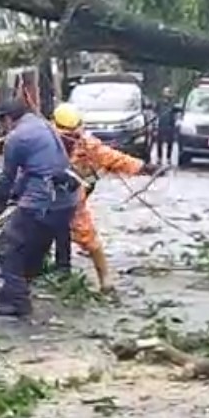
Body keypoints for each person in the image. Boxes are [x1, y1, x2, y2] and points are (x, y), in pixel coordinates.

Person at [49, 103, 159, 291]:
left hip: (74, 197)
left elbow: (112, 157)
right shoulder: (44, 140)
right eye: (66, 134)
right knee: (37, 235)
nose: (70, 139)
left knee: (89, 238)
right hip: (44, 197)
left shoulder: (87, 144)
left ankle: (105, 281)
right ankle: (43, 271)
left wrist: (142, 167)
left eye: (74, 134)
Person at [0, 100, 80, 317]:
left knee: (7, 247)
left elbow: (7, 178)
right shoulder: (43, 125)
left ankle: (19, 302)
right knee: (30, 250)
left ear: (8, 119)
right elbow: (32, 170)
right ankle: (13, 290)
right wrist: (14, 196)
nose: (1, 128)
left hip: (43, 202)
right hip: (67, 201)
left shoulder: (16, 138)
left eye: (1, 123)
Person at [153, 87, 180, 165]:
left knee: (170, 142)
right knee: (159, 142)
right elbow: (155, 112)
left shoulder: (173, 103)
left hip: (170, 125)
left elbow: (177, 112)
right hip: (161, 125)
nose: (166, 94)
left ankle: (168, 158)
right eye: (165, 92)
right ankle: (159, 158)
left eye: (168, 92)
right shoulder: (159, 102)